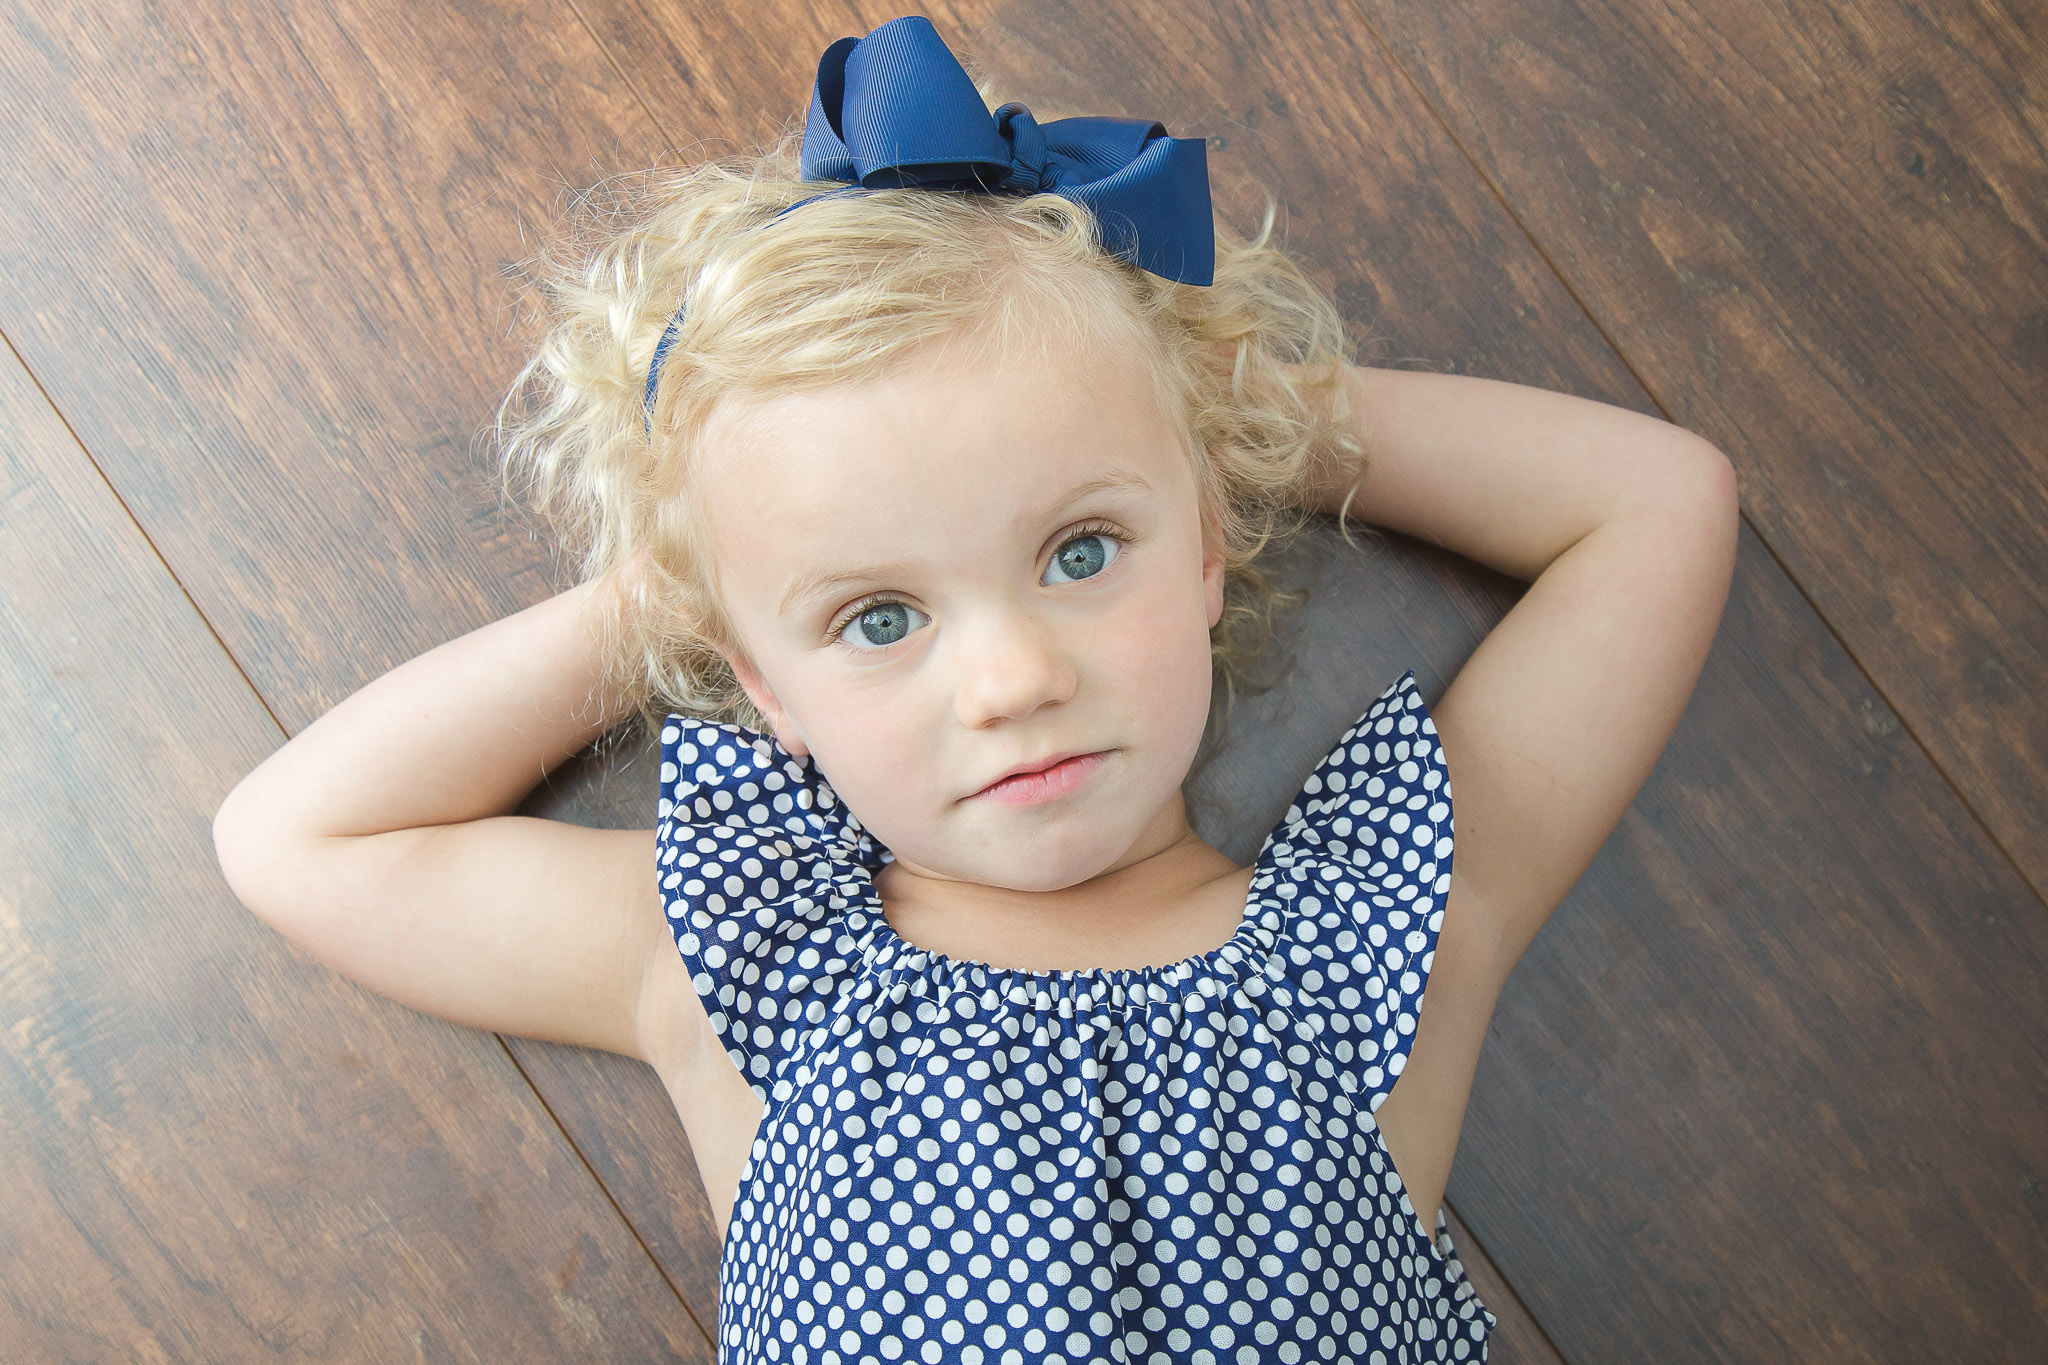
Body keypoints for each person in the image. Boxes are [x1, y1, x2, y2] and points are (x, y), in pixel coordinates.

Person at [212, 15, 1738, 1364]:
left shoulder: (1383, 943)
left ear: (1205, 546)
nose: (1012, 677)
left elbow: (1658, 506)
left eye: (1083, 546)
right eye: (878, 614)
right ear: (765, 683)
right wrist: (684, 575)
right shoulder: (734, 969)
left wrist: (1212, 410)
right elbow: (302, 838)